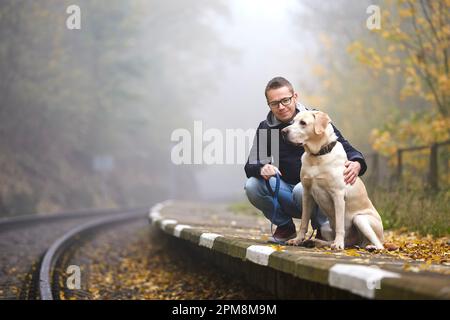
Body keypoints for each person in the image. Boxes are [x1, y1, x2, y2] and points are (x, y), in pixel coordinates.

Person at [244, 77, 367, 243]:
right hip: (286, 190)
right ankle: (285, 227)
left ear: (295, 97)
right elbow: (251, 164)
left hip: (312, 190)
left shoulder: (313, 118)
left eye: (285, 100)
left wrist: (357, 163)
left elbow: (345, 147)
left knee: (302, 189)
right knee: (252, 185)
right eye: (274, 103)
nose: (281, 107)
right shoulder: (268, 129)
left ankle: (324, 229)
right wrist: (261, 168)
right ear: (269, 105)